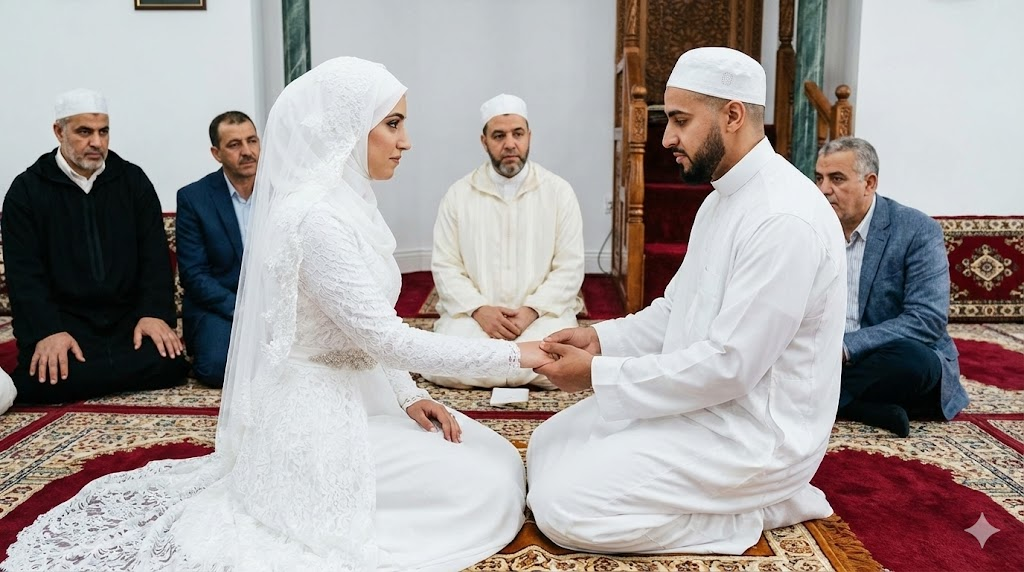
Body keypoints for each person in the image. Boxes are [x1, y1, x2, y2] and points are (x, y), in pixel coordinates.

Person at [3, 58, 553, 571]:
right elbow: (387, 337)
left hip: (362, 392)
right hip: (317, 415)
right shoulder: (314, 218)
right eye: (393, 124)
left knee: (500, 458)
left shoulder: (348, 199)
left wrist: (411, 396)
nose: (406, 141)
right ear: (348, 127)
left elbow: (368, 330)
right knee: (484, 487)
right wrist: (518, 353)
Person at [525, 47, 848, 555]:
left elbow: (730, 366)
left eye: (679, 120)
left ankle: (753, 511)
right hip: (698, 405)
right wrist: (600, 339)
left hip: (754, 435)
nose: (666, 137)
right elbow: (676, 310)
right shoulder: (722, 199)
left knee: (566, 509)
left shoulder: (784, 218)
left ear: (733, 115)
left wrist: (595, 376)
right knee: (545, 447)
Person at [2, 88, 188, 404]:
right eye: (84, 132)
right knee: (46, 377)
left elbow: (155, 259)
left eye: (103, 132)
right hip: (67, 324)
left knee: (169, 364)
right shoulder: (27, 192)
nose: (97, 143)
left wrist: (153, 314)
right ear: (58, 131)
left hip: (127, 322)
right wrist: (49, 332)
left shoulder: (132, 181)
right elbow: (24, 276)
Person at [425, 93, 584, 390]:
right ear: (484, 141)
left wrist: (531, 311)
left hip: (541, 316)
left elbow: (570, 267)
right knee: (444, 361)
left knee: (561, 352)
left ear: (529, 137)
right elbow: (446, 266)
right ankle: (523, 367)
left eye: (517, 134)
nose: (510, 143)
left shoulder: (558, 192)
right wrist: (479, 310)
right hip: (475, 319)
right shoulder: (458, 195)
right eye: (499, 135)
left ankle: (494, 368)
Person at [815, 136, 968, 436]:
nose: (824, 190)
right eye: (819, 178)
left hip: (885, 355)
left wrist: (847, 347)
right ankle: (859, 407)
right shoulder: (810, 227)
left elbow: (927, 319)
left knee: (916, 362)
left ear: (869, 183)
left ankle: (820, 400)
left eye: (837, 179)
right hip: (825, 353)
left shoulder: (916, 230)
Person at [176, 111, 261, 388]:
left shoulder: (281, 191)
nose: (247, 152)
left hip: (273, 301)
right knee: (215, 368)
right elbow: (194, 274)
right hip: (221, 305)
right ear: (217, 153)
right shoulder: (194, 198)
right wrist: (241, 309)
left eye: (252, 141)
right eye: (234, 145)